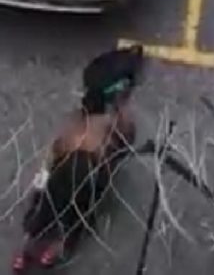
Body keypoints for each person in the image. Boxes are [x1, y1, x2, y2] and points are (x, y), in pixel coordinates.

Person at [14, 46, 142, 271]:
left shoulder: (75, 126)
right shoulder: (116, 123)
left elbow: (54, 153)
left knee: (44, 212)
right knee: (76, 217)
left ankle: (28, 251)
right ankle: (57, 248)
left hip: (66, 171)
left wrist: (41, 181)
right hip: (89, 175)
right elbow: (124, 146)